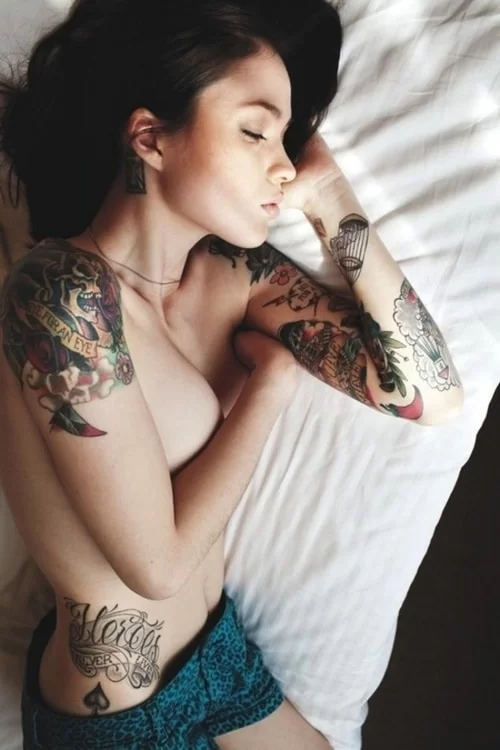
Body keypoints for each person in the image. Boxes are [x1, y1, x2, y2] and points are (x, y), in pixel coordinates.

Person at [0, 0, 463, 747]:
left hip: (219, 655)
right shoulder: (60, 294)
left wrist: (328, 197)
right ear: (149, 138)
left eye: (285, 137)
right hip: (116, 708)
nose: (283, 163)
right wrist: (268, 391)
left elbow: (427, 394)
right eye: (254, 132)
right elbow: (157, 566)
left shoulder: (235, 274)